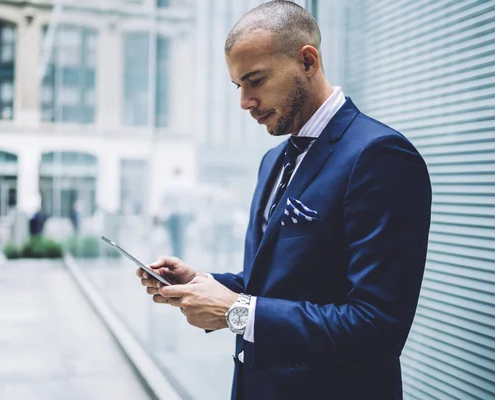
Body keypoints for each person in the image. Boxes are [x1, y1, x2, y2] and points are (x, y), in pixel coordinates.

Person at [137, 2, 432, 399]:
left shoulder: (380, 156)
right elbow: (276, 283)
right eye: (238, 85)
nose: (244, 101)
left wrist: (233, 311)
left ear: (307, 61)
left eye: (255, 80)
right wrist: (204, 284)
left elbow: (376, 327)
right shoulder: (272, 161)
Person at [159, 167, 194, 259]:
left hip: (172, 215)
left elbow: (164, 203)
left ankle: (175, 256)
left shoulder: (169, 186)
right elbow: (192, 201)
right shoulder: (187, 185)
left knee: (174, 238)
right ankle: (181, 256)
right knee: (182, 238)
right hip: (185, 215)